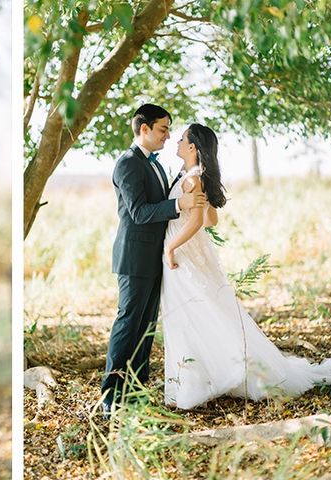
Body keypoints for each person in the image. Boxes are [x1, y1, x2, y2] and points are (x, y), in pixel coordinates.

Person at [161, 123, 331, 409]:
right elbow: (210, 221)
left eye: (181, 139)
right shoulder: (196, 177)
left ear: (192, 147)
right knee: (205, 310)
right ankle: (209, 373)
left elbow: (195, 222)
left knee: (191, 313)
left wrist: (170, 247)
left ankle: (202, 380)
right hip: (195, 252)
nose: (176, 142)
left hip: (183, 254)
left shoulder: (191, 180)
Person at [101, 104, 207, 414]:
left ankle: (135, 390)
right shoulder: (128, 164)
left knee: (146, 326)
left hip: (156, 257)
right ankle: (110, 396)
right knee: (128, 323)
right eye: (162, 129)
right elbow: (138, 212)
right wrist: (179, 204)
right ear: (144, 129)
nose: (168, 135)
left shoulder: (157, 165)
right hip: (134, 257)